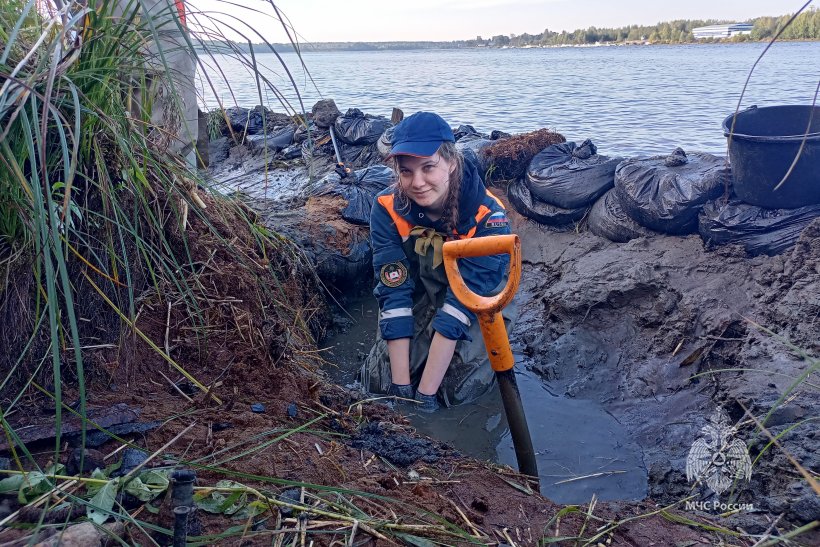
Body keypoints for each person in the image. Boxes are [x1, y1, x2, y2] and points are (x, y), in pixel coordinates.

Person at [361, 111, 518, 412]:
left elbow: (458, 309)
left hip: (478, 300)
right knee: (379, 382)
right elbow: (394, 291)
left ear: (451, 163)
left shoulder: (490, 219)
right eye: (406, 172)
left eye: (428, 168)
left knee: (453, 391)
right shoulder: (385, 208)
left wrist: (424, 398)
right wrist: (400, 389)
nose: (417, 182)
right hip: (423, 290)